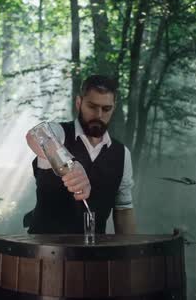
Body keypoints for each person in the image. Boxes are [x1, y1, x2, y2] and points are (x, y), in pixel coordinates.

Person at [24, 74, 137, 234]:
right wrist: (69, 165)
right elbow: (37, 134)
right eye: (92, 106)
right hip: (43, 253)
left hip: (96, 255)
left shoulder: (122, 154)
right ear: (79, 103)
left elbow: (124, 209)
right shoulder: (60, 134)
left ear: (114, 107)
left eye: (106, 109)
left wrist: (130, 254)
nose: (99, 115)